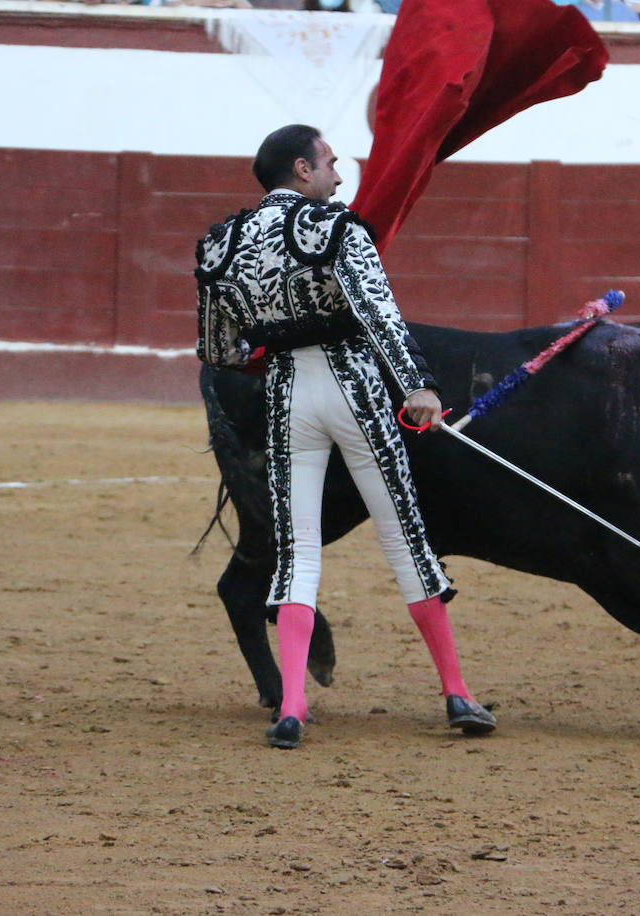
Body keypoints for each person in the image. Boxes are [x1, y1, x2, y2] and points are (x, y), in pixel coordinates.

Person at [195, 124, 497, 749]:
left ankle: (293, 706)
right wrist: (418, 384)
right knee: (404, 537)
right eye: (330, 163)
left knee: (298, 550)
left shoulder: (219, 244)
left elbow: (217, 349)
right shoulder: (336, 227)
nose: (338, 174)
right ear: (302, 170)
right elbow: (377, 310)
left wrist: (269, 344)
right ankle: (457, 693)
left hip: (286, 397)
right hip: (354, 387)